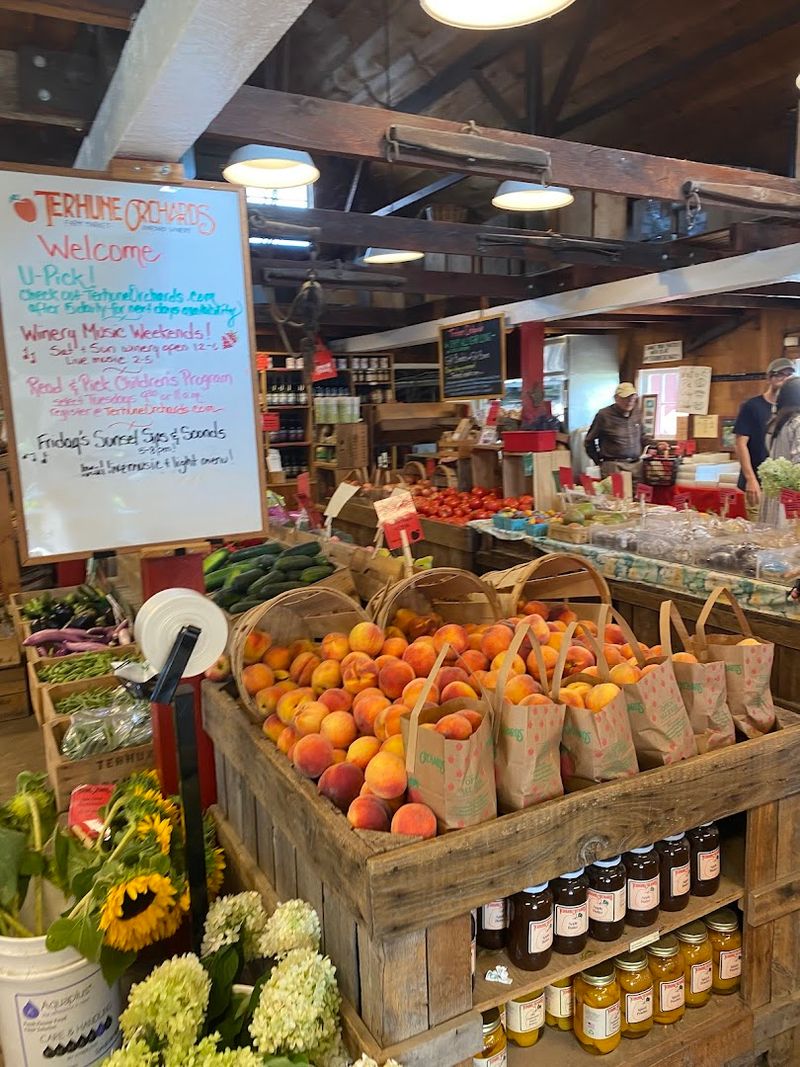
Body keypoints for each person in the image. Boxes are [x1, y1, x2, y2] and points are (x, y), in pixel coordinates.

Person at [734, 356, 795, 518]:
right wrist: (751, 479)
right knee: (760, 532)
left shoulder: (791, 410)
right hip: (758, 482)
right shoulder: (752, 406)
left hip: (782, 486)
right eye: (780, 374)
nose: (785, 379)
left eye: (789, 375)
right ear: (769, 378)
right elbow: (741, 444)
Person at [584, 382, 650, 480]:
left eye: (632, 398)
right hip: (613, 465)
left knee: (636, 495)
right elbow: (589, 441)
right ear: (616, 398)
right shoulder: (604, 415)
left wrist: (654, 445)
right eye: (625, 398)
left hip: (636, 465)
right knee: (615, 495)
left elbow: (643, 436)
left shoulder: (637, 413)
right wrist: (599, 461)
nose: (629, 401)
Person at [762, 375, 800, 527]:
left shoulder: (775, 422)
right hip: (792, 495)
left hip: (774, 492)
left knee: (773, 537)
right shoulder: (797, 422)